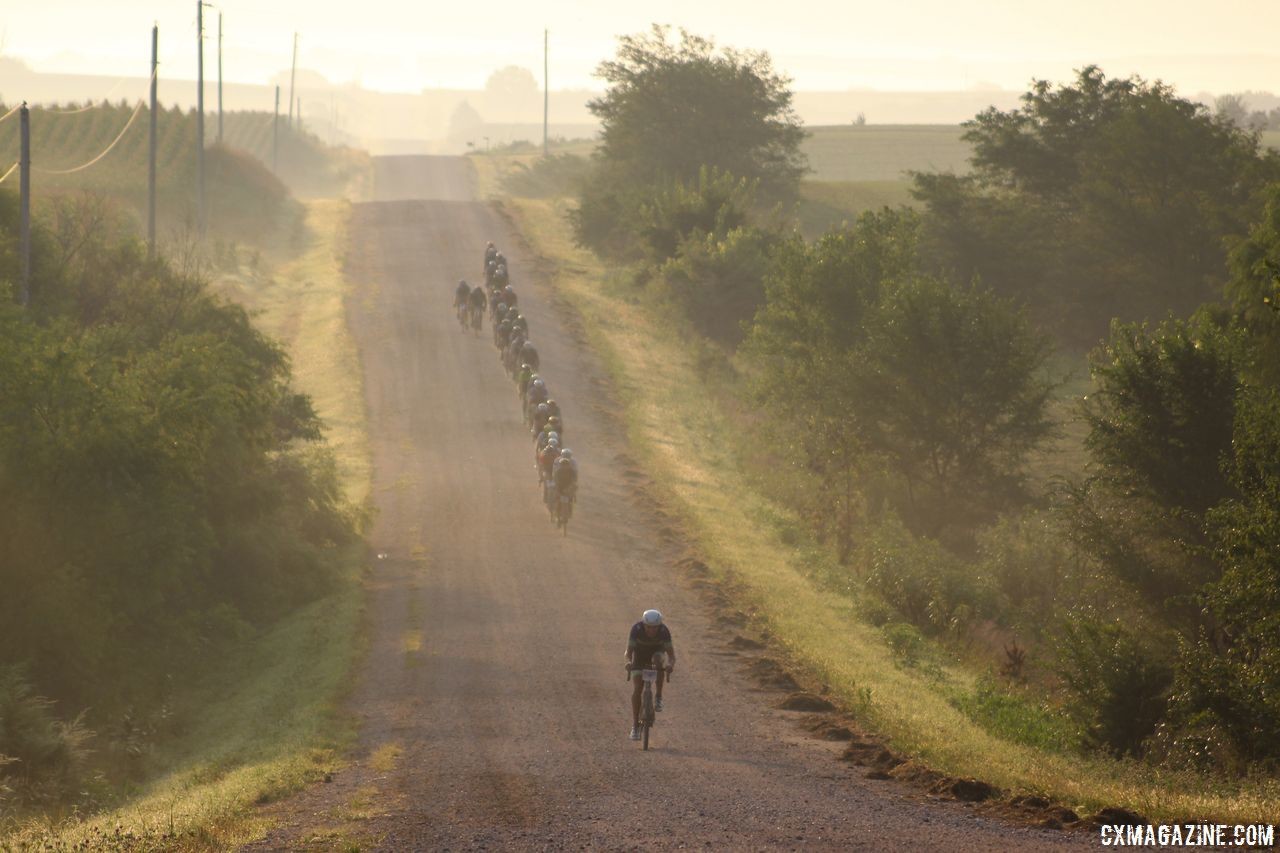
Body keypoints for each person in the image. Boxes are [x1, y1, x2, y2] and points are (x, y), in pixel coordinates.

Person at [626, 609, 675, 740]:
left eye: (655, 628)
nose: (652, 630)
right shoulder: (636, 629)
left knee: (658, 661)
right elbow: (629, 652)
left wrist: (670, 665)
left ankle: (658, 696)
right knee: (637, 689)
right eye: (648, 627)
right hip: (639, 658)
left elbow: (671, 655)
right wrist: (629, 662)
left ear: (659, 626)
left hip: (656, 654)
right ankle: (635, 726)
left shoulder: (664, 631)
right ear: (643, 624)